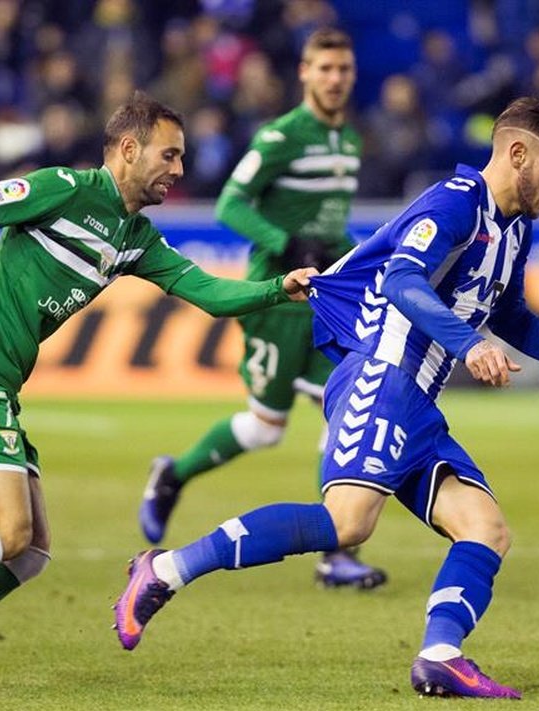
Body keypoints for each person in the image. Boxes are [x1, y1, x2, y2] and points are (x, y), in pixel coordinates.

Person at [114, 97, 539, 699]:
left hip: (419, 399)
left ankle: (441, 657)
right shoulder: (455, 203)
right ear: (518, 153)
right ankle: (164, 570)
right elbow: (399, 279)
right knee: (348, 524)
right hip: (383, 373)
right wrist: (469, 345)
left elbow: (513, 316)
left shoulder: (514, 228)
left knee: (485, 528)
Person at [0, 91, 315, 693]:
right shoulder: (66, 188)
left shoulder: (135, 237)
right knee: (8, 533)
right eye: (169, 155)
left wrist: (280, 287)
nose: (179, 170)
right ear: (127, 149)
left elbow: (210, 294)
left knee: (28, 552)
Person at [139, 27, 387, 590]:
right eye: (324, 68)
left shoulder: (348, 137)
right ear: (303, 72)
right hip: (278, 297)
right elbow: (230, 203)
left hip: (325, 297)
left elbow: (326, 227)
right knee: (264, 428)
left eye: (343, 69)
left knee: (349, 407)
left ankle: (337, 550)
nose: (335, 78)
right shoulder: (282, 136)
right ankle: (173, 473)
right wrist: (284, 243)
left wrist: (358, 253)